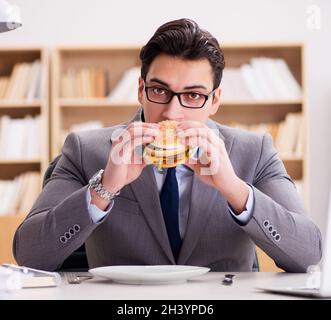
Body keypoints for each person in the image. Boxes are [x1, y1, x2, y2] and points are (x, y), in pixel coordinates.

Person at [13, 18, 321, 272]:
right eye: (159, 91)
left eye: (193, 95)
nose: (172, 113)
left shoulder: (254, 151)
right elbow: (30, 255)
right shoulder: (85, 148)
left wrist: (234, 189)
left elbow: (308, 254)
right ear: (140, 90)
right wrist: (104, 187)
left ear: (214, 101)